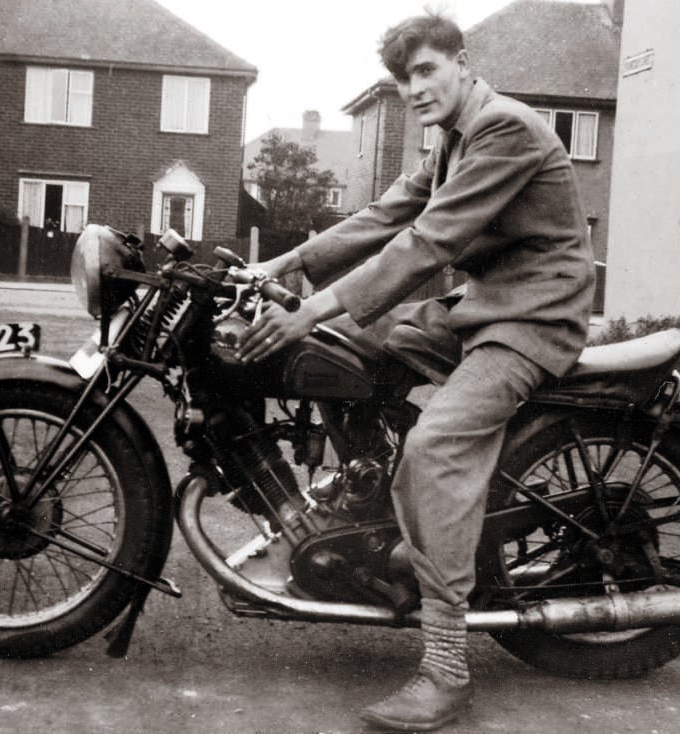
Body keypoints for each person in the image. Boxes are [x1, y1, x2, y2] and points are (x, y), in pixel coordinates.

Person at [236, 11, 595, 732]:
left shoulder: (506, 129)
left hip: (533, 318)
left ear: (462, 62)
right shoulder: (452, 139)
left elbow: (426, 242)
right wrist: (288, 263)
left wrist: (309, 310)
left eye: (426, 70)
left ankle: (445, 670)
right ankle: (367, 510)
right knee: (350, 354)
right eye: (404, 80)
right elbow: (384, 213)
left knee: (434, 453)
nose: (414, 89)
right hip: (484, 307)